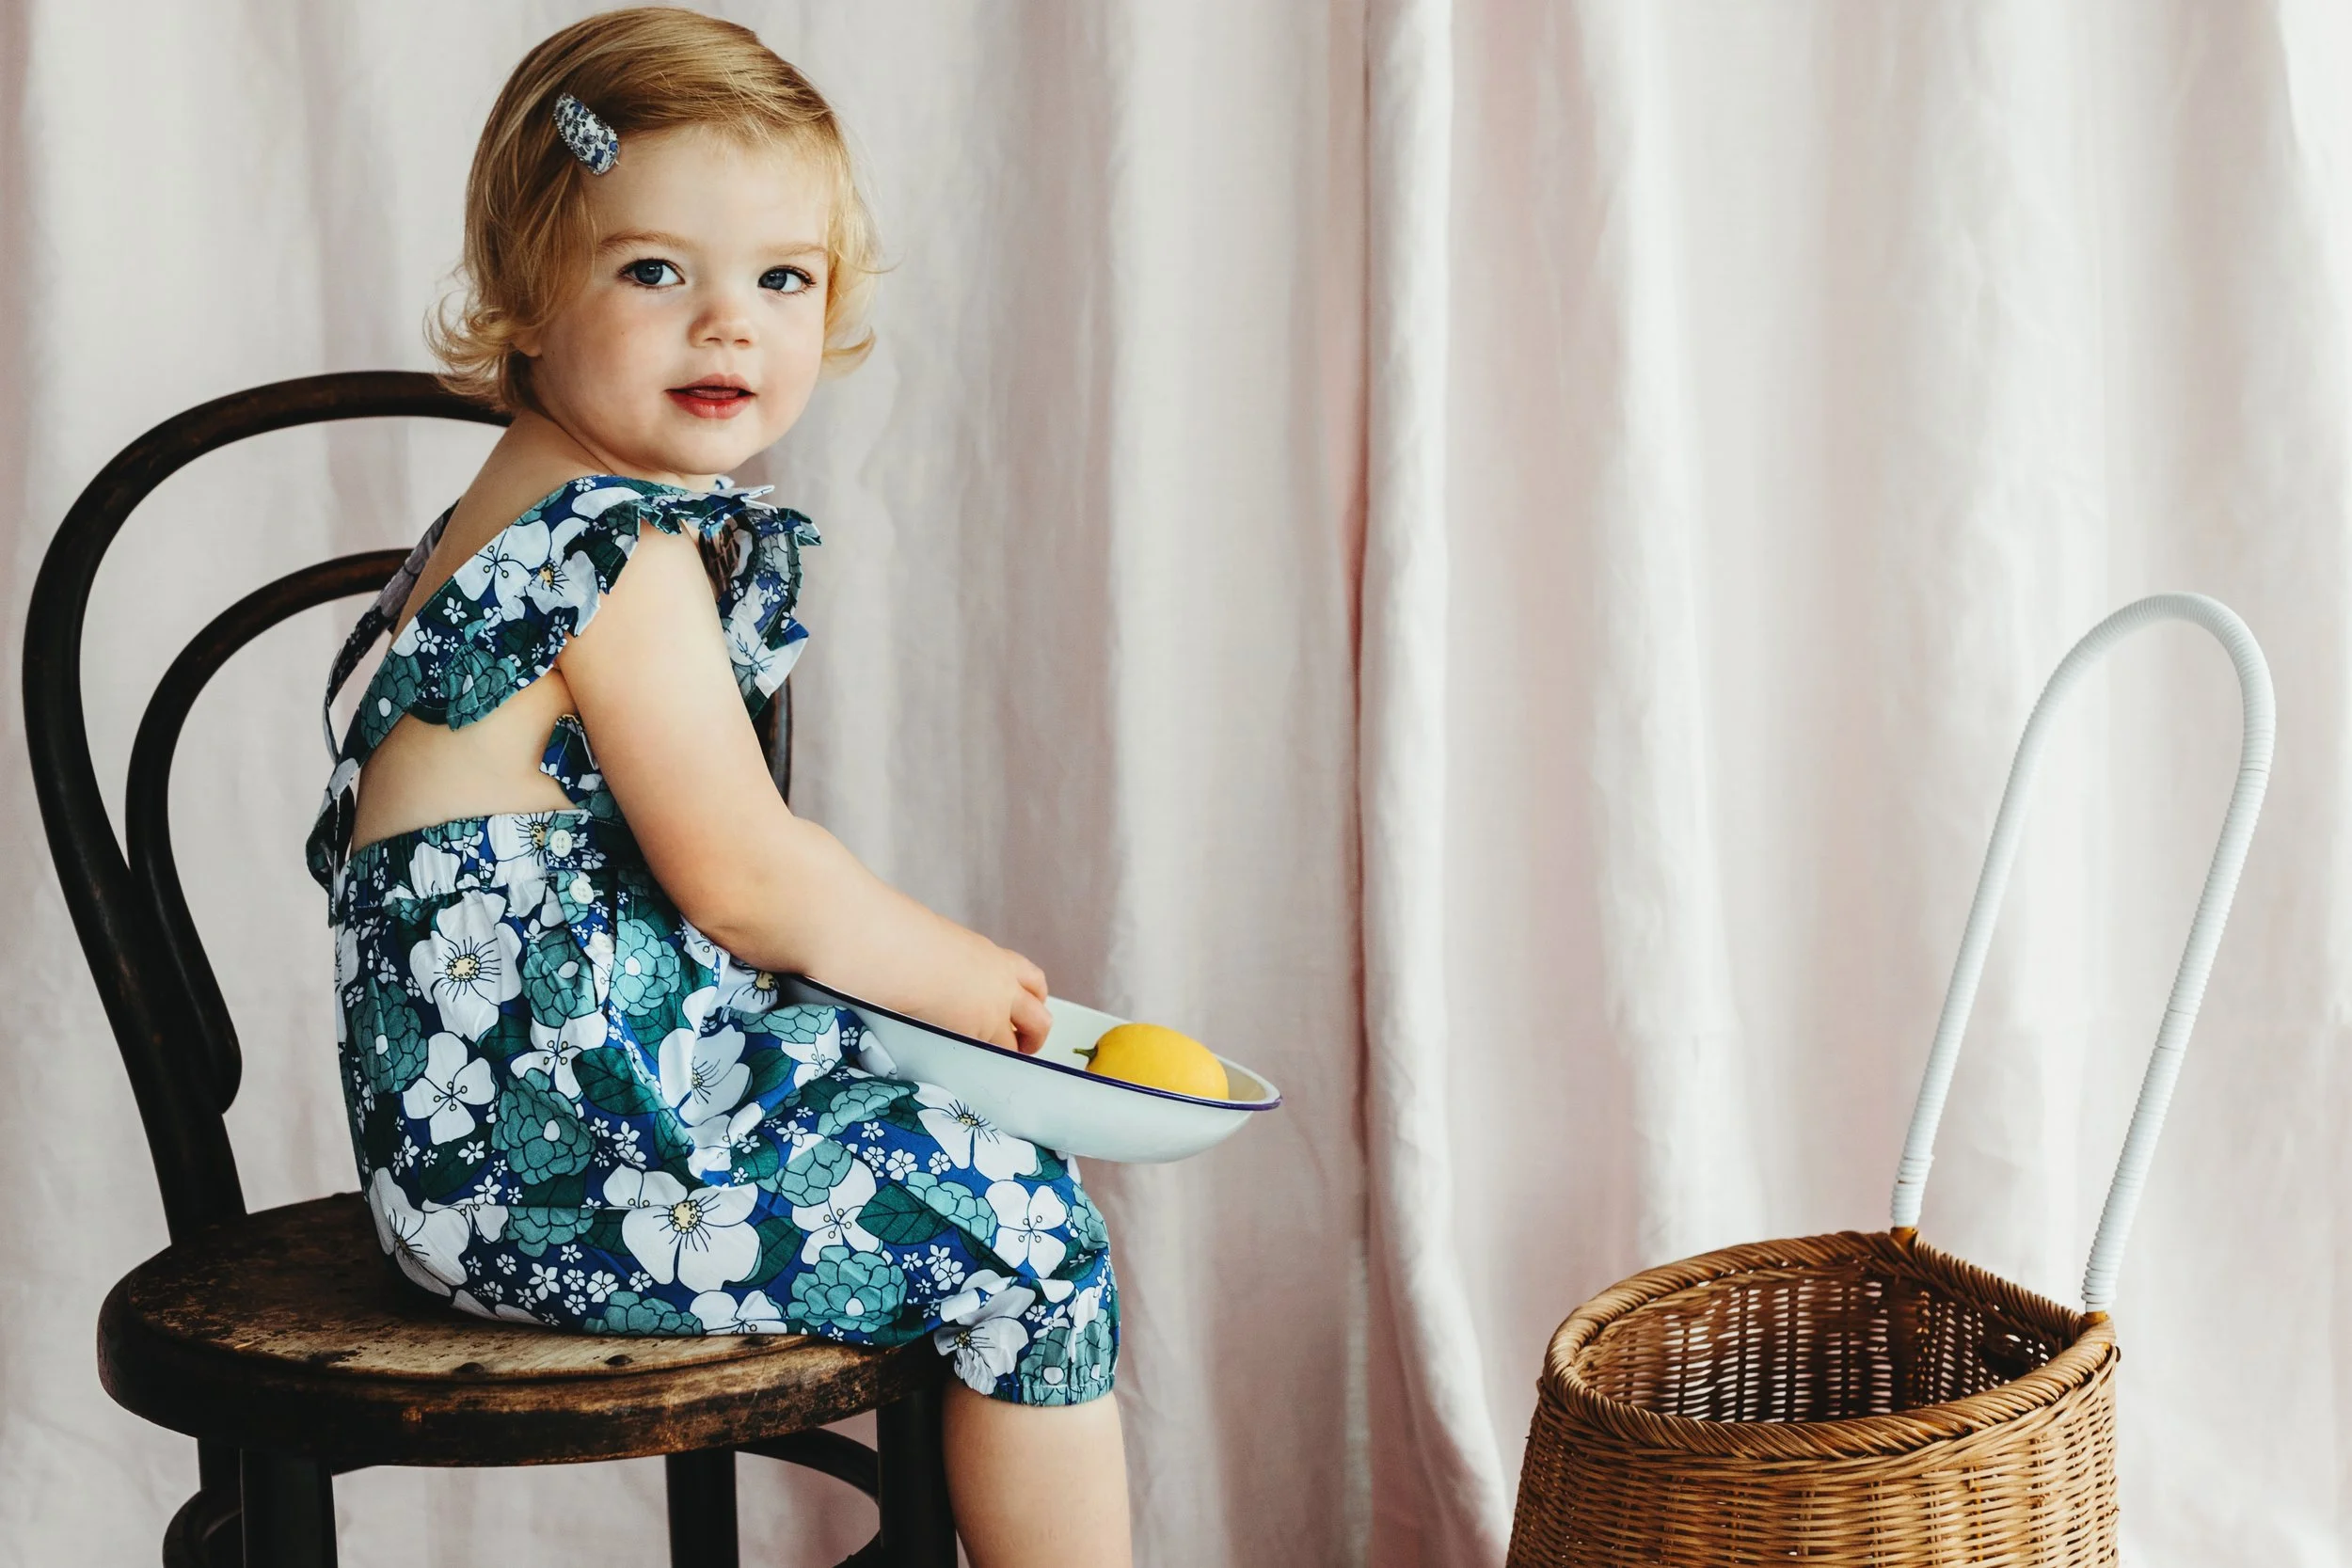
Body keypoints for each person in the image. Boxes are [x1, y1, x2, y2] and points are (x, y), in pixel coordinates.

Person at [306, 12, 1127, 1563]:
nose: (726, 328)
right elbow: (742, 877)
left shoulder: (526, 508)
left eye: (781, 279)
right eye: (653, 270)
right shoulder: (604, 546)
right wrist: (951, 966)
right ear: (526, 298)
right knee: (1030, 1233)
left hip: (547, 1134)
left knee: (959, 1137)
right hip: (545, 1174)